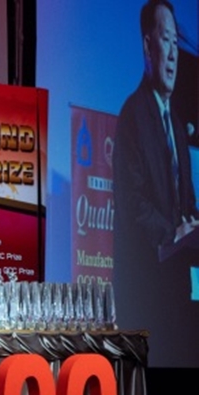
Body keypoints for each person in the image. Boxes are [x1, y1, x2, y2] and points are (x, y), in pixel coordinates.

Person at [113, 1, 199, 357]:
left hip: (177, 292)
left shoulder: (177, 125)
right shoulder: (132, 115)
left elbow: (186, 201)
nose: (174, 54)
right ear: (148, 46)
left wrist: (193, 224)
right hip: (145, 293)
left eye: (177, 43)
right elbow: (132, 202)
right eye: (166, 41)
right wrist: (173, 233)